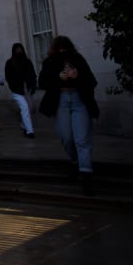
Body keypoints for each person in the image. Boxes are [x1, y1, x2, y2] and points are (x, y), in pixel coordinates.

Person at [38, 35, 99, 195]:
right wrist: (57, 77)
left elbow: (91, 81)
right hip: (61, 101)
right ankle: (74, 161)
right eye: (59, 49)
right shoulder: (50, 62)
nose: (62, 52)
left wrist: (76, 75)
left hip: (79, 100)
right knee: (66, 136)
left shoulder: (77, 59)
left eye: (65, 49)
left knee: (82, 138)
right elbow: (42, 82)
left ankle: (86, 173)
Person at [5, 43, 37, 138]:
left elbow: (32, 75)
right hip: (17, 90)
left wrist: (32, 86)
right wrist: (13, 87)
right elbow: (8, 77)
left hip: (26, 89)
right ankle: (30, 131)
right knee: (25, 107)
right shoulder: (10, 63)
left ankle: (24, 125)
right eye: (17, 50)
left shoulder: (27, 62)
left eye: (20, 49)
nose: (19, 52)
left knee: (28, 108)